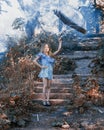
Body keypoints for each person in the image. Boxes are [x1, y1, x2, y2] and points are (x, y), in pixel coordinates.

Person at [34, 37, 62, 106]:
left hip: (50, 71)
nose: (47, 48)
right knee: (45, 85)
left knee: (49, 86)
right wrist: (41, 66)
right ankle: (43, 100)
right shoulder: (41, 54)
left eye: (48, 47)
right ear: (43, 48)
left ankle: (47, 100)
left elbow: (58, 50)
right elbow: (34, 61)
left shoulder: (50, 55)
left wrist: (60, 42)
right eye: (45, 47)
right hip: (44, 70)